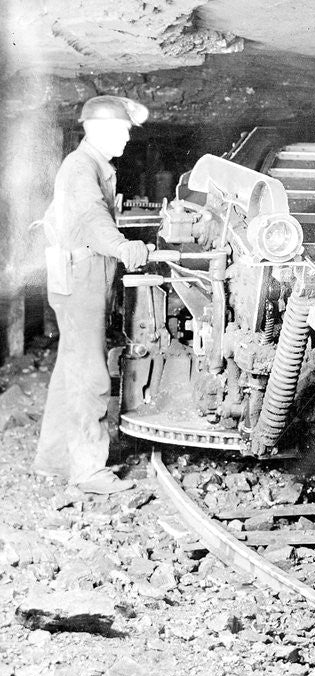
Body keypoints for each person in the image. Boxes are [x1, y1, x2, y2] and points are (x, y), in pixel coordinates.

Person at [33, 95, 152, 495]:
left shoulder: (95, 166)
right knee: (90, 372)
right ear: (99, 131)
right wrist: (123, 247)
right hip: (82, 276)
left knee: (72, 369)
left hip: (79, 275)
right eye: (122, 131)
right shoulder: (81, 167)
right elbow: (91, 217)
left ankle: (53, 460)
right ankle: (87, 471)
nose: (126, 140)